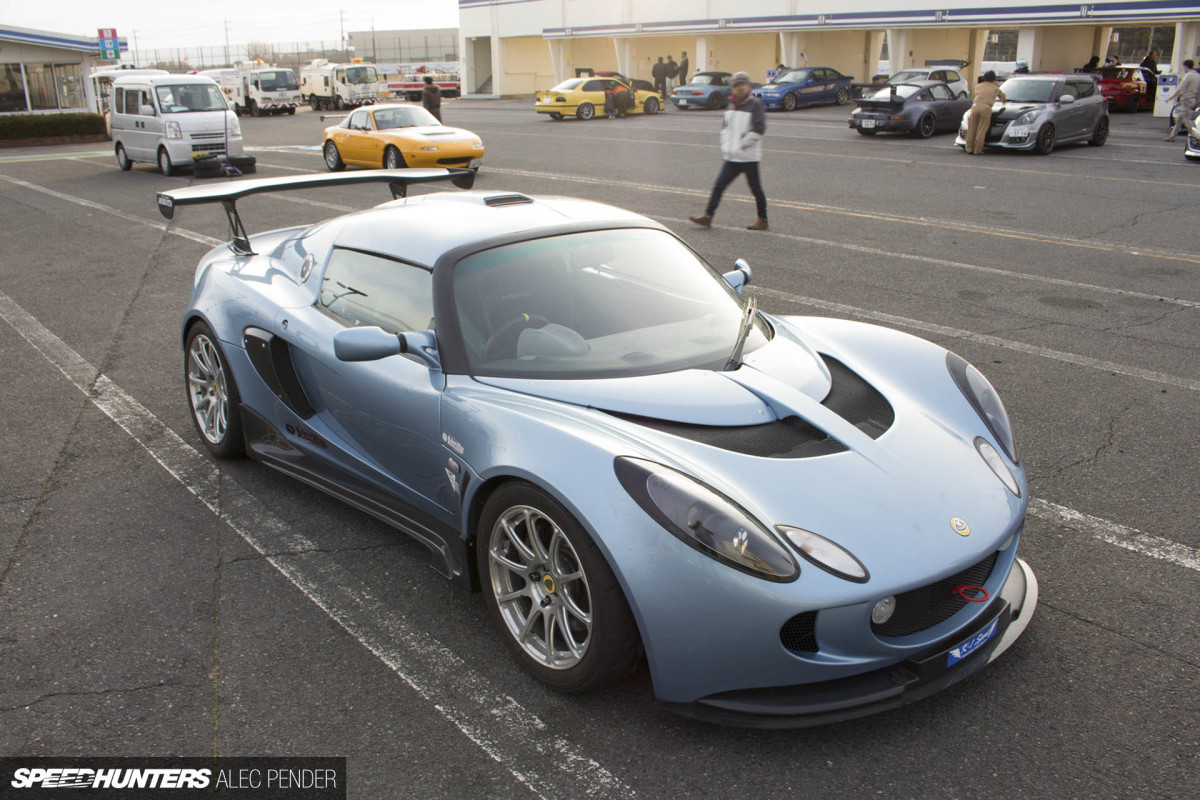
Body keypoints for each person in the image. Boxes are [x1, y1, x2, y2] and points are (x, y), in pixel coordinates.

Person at [689, 72, 768, 231]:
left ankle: (763, 219)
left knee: (756, 189)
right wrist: (726, 145)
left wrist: (742, 144)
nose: (738, 88)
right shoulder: (731, 105)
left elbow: (759, 129)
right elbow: (725, 128)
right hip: (731, 157)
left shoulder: (755, 105)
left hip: (748, 158)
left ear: (747, 86)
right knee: (719, 185)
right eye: (735, 85)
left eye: (741, 85)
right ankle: (708, 216)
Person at [965, 70, 1006, 154]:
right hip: (986, 108)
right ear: (993, 79)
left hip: (975, 107)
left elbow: (977, 94)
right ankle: (977, 150)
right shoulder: (995, 88)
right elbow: (1003, 96)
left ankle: (969, 148)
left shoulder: (978, 86)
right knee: (981, 130)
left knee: (971, 128)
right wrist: (1004, 103)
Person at [1165, 59, 1200, 141]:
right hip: (1193, 99)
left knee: (1185, 119)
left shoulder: (1188, 76)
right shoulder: (1198, 76)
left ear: (1186, 66)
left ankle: (1195, 133)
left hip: (1186, 99)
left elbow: (1180, 88)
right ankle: (1172, 136)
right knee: (1179, 119)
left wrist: (1170, 97)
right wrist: (1198, 100)